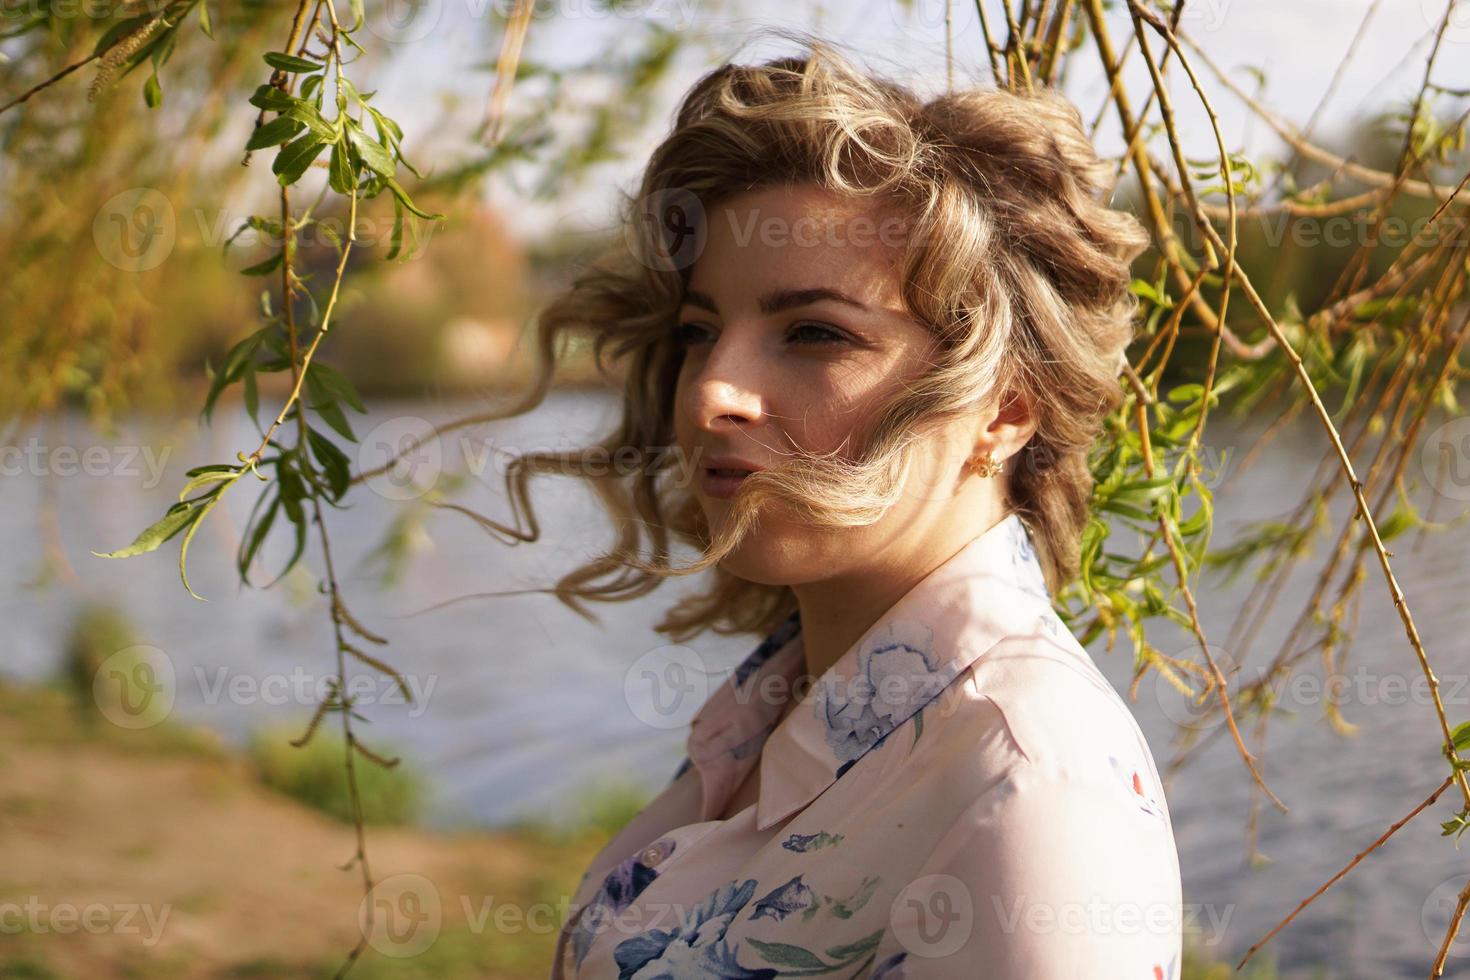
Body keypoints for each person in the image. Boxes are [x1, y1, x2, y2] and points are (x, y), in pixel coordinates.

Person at [492, 30, 1182, 980]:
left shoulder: (1028, 791)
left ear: (1005, 409)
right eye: (701, 331)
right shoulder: (780, 696)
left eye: (813, 332)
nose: (710, 394)